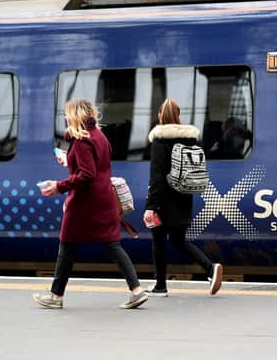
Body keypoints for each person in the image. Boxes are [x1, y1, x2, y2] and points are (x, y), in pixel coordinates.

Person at [33, 98, 148, 309]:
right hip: (104, 199)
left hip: (85, 202)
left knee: (67, 245)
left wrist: (59, 186)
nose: (66, 118)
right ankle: (137, 290)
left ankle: (56, 296)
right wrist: (70, 162)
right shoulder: (99, 136)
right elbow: (96, 168)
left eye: (67, 114)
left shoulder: (82, 140)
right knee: (112, 244)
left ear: (76, 115)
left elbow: (87, 174)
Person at [143, 98, 223, 297]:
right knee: (179, 241)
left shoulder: (159, 141)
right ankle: (210, 268)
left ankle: (160, 285)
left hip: (163, 200)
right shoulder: (190, 140)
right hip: (184, 197)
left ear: (161, 116)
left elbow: (157, 176)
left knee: (158, 240)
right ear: (178, 116)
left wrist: (151, 205)